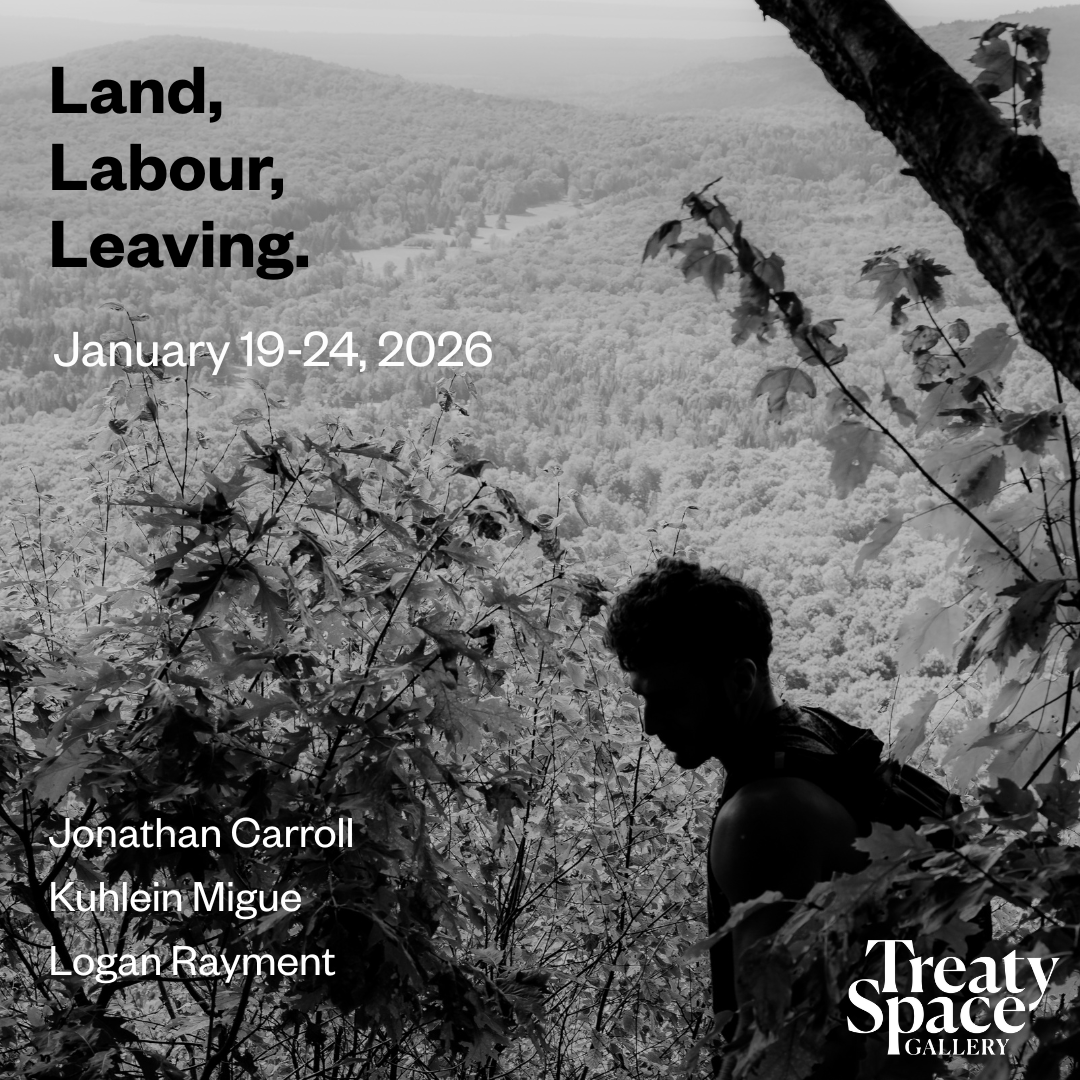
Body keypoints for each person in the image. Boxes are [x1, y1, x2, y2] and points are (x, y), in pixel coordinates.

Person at [605, 558, 879, 1075]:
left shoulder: (762, 818)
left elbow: (767, 1050)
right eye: (643, 699)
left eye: (669, 700)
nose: (649, 726)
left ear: (741, 680)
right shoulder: (816, 736)